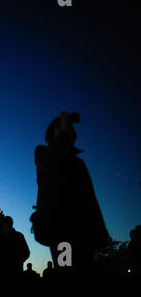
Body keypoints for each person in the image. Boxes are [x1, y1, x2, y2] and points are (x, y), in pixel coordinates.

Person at [32, 112, 109, 275]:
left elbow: (89, 198)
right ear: (53, 132)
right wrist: (65, 135)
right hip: (61, 229)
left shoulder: (78, 162)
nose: (66, 129)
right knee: (66, 271)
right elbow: (53, 160)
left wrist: (99, 233)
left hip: (83, 229)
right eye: (61, 127)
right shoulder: (43, 153)